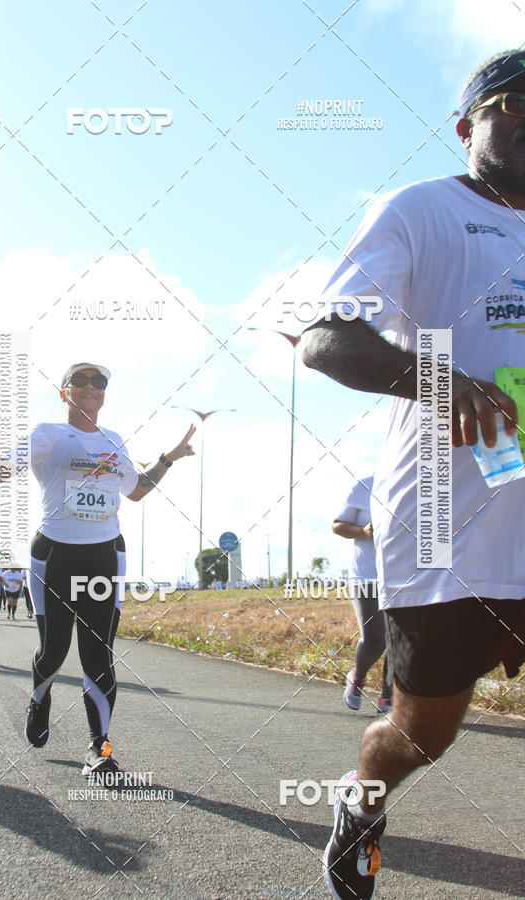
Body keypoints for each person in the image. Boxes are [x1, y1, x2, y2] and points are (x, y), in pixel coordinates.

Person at [302, 49, 525, 900]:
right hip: (445, 529)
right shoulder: (421, 209)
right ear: (468, 125)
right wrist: (442, 380)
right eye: (513, 102)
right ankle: (361, 800)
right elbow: (327, 339)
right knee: (424, 734)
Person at [0, 362, 195, 775]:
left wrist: (168, 458)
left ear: (104, 394)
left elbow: (136, 490)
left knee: (98, 654)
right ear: (64, 392)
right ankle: (39, 698)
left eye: (98, 381)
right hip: (54, 557)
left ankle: (100, 748)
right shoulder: (48, 434)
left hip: (105, 557)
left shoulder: (113, 440)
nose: (90, 386)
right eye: (79, 380)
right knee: (54, 651)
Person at [333, 475, 392, 715]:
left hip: (402, 575)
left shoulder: (420, 483)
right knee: (375, 638)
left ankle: (388, 698)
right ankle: (357, 677)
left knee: (399, 639)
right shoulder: (365, 485)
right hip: (366, 576)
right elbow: (337, 525)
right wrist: (363, 530)